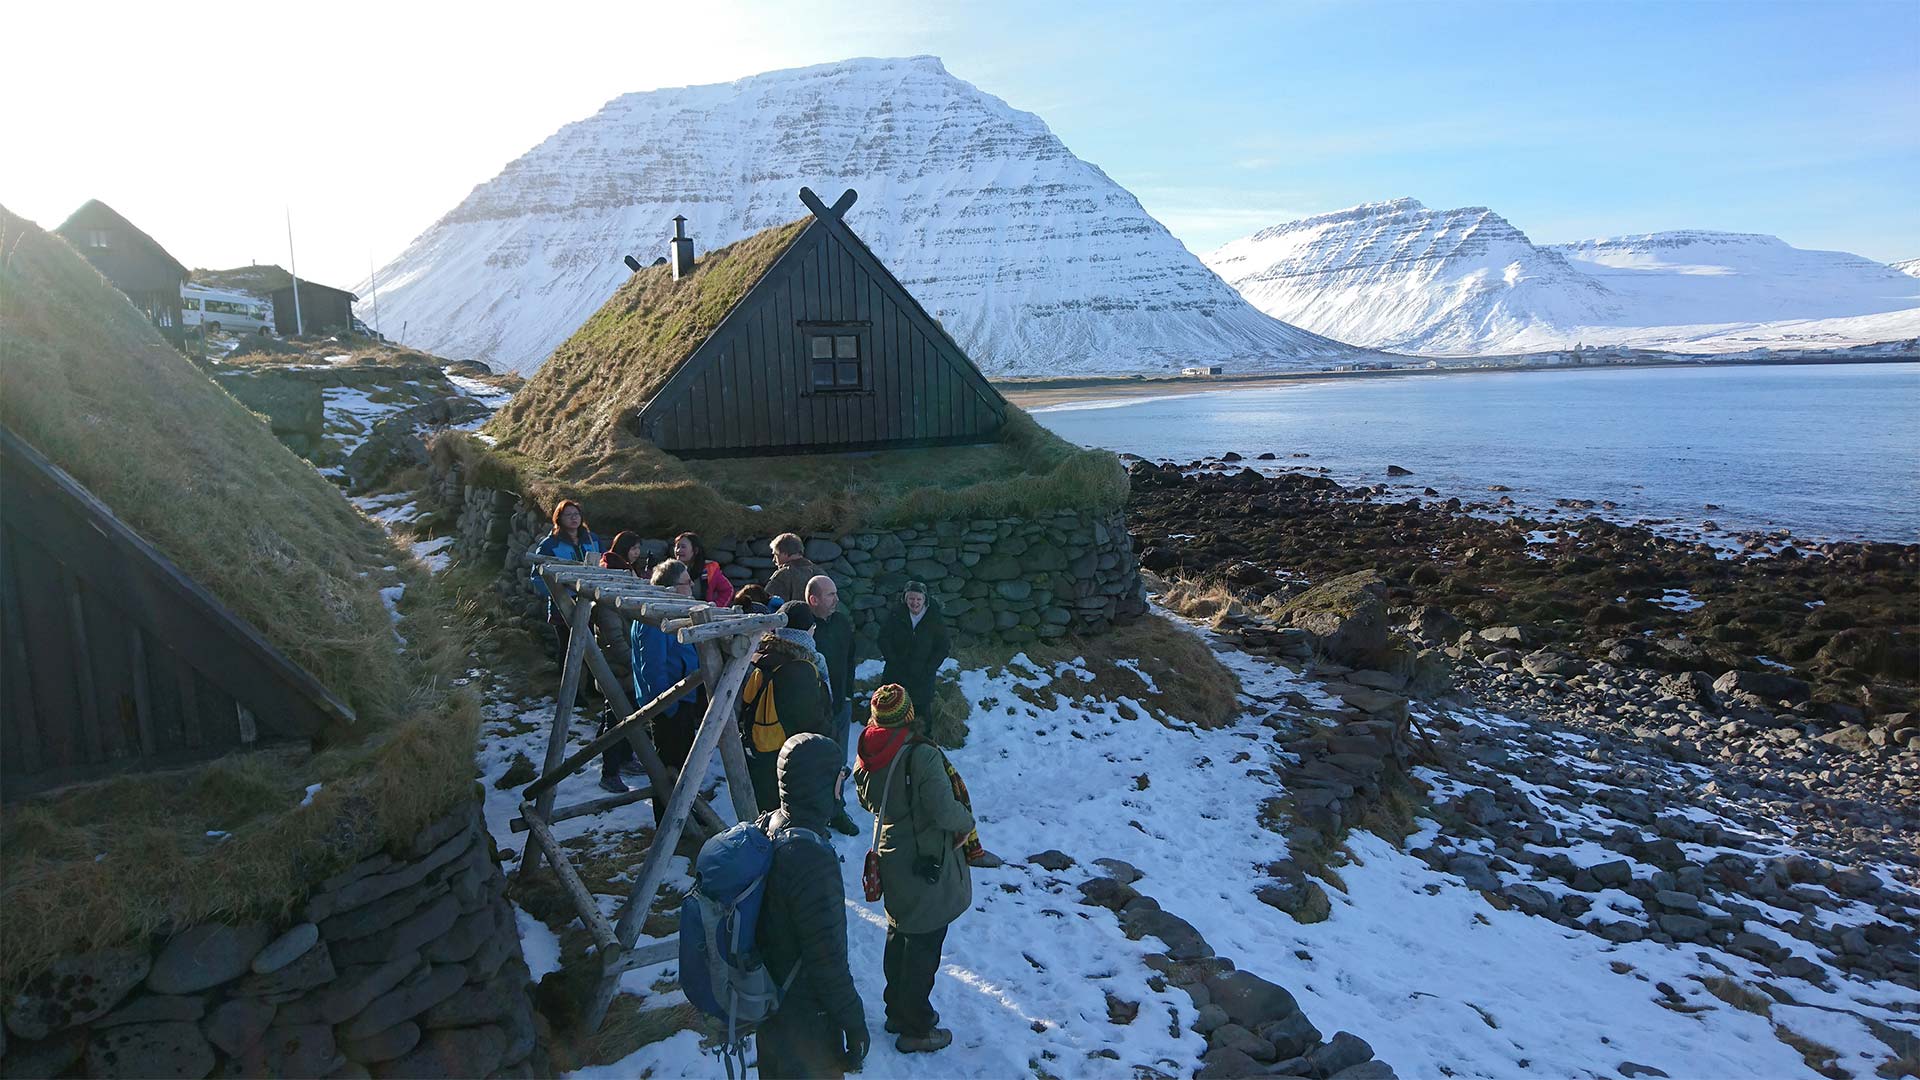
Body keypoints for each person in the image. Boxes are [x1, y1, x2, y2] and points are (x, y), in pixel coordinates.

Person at [854, 685, 973, 1054]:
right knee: (924, 942)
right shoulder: (920, 754)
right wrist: (967, 821)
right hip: (924, 859)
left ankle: (896, 1011)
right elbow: (943, 810)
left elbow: (866, 799)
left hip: (890, 853)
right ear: (908, 714)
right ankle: (917, 1027)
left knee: (899, 933)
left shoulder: (867, 749)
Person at [755, 733, 869, 1078]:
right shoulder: (811, 860)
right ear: (822, 784)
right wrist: (854, 1021)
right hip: (806, 1026)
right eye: (839, 778)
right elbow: (826, 960)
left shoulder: (770, 825)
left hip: (771, 1009)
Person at [630, 559, 708, 812]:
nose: (691, 586)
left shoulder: (672, 611)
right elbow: (653, 668)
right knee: (669, 768)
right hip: (670, 704)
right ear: (671, 587)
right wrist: (669, 707)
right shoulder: (654, 619)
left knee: (684, 765)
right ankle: (669, 820)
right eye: (686, 582)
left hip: (682, 699)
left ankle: (685, 815)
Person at [742, 602, 831, 813]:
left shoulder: (761, 657)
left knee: (767, 812)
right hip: (791, 758)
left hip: (761, 751)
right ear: (808, 630)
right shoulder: (800, 669)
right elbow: (810, 719)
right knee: (789, 815)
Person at [591, 531, 645, 792]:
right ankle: (609, 772)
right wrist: (638, 661)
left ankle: (624, 758)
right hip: (618, 668)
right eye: (633, 548)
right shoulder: (608, 606)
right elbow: (615, 642)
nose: (637, 553)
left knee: (627, 715)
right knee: (615, 719)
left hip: (627, 666)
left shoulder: (623, 599)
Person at [806, 575, 859, 837]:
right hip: (813, 710)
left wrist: (847, 694)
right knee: (814, 764)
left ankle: (837, 811)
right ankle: (813, 816)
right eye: (830, 595)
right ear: (813, 599)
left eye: (836, 593)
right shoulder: (804, 627)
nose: (836, 599)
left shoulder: (841, 623)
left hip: (839, 704)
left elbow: (850, 658)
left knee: (840, 762)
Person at [530, 500, 605, 661]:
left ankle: (589, 679)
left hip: (592, 602)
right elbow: (537, 577)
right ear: (559, 518)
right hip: (563, 606)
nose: (573, 518)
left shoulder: (592, 539)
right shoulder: (550, 544)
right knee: (567, 649)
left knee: (592, 649)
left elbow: (605, 564)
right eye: (568, 515)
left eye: (576, 514)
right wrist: (561, 594)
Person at [877, 582, 948, 741]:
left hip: (922, 677)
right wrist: (893, 660)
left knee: (921, 716)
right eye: (911, 598)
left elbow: (943, 647)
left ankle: (922, 747)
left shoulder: (933, 618)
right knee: (891, 711)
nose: (914, 603)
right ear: (905, 598)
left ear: (925, 600)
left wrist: (929, 668)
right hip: (895, 674)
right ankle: (890, 746)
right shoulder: (896, 614)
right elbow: (883, 638)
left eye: (918, 599)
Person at [675, 531, 735, 608]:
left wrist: (715, 607)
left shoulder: (710, 570)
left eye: (683, 547)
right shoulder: (671, 570)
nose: (678, 550)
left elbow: (728, 590)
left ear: (695, 550)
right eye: (677, 546)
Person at [766, 533, 822, 607]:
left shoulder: (783, 575)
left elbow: (767, 602)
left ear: (784, 553)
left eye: (776, 555)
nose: (774, 560)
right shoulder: (820, 573)